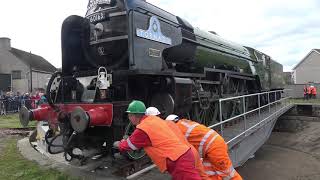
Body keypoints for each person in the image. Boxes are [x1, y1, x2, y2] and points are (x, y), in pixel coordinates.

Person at [113, 101, 201, 180]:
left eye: (129, 116)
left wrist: (118, 144)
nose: (129, 118)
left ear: (133, 115)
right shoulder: (153, 119)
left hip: (177, 160)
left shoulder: (143, 129)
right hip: (183, 155)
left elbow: (129, 145)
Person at [166, 114, 242, 180]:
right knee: (209, 173)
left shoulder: (177, 130)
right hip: (211, 148)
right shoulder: (185, 123)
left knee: (228, 174)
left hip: (214, 149)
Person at [145, 107, 209, 180]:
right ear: (158, 115)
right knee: (203, 176)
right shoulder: (172, 124)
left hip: (183, 156)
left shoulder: (157, 128)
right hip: (191, 151)